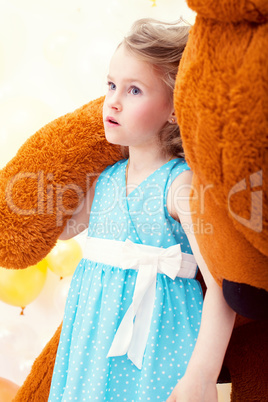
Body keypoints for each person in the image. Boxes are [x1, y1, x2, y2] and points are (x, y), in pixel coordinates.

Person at [48, 18, 236, 402]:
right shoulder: (107, 180)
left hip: (157, 347)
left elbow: (221, 284)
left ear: (174, 109)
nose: (113, 101)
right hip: (91, 345)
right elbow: (59, 227)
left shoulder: (180, 186)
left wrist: (201, 375)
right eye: (111, 85)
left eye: (134, 90)